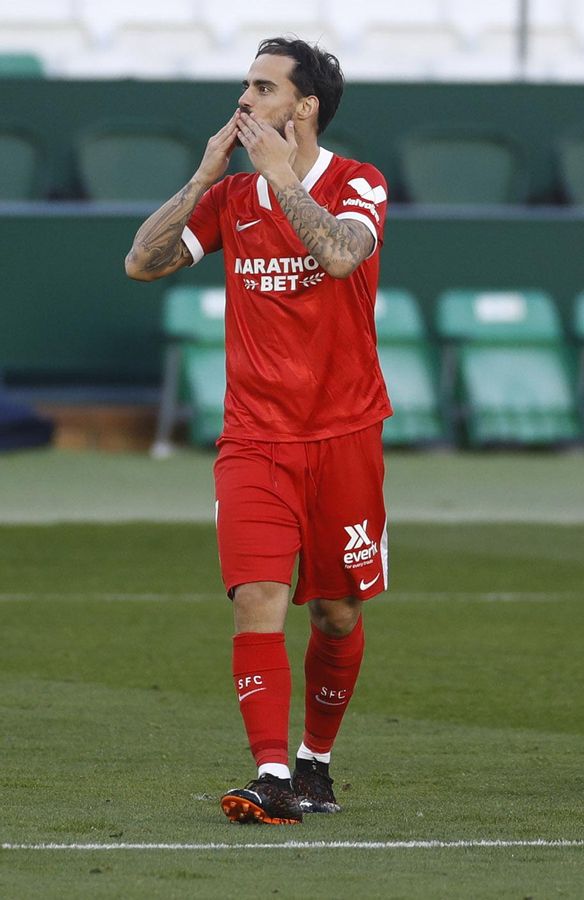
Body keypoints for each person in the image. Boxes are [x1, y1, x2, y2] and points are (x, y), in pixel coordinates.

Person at [124, 38, 390, 825]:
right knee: (259, 598)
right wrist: (206, 176)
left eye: (263, 87)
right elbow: (142, 261)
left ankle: (315, 764)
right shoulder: (231, 198)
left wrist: (282, 180)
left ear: (303, 108)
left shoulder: (358, 183)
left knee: (337, 614)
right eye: (245, 84)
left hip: (345, 434)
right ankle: (271, 774)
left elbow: (342, 256)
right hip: (253, 438)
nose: (244, 100)